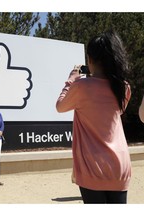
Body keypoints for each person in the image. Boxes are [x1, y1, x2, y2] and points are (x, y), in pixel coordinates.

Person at [56, 31, 132, 204]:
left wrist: (71, 80)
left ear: (90, 59)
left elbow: (60, 106)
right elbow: (116, 112)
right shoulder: (124, 87)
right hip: (120, 166)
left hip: (92, 167)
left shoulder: (81, 86)